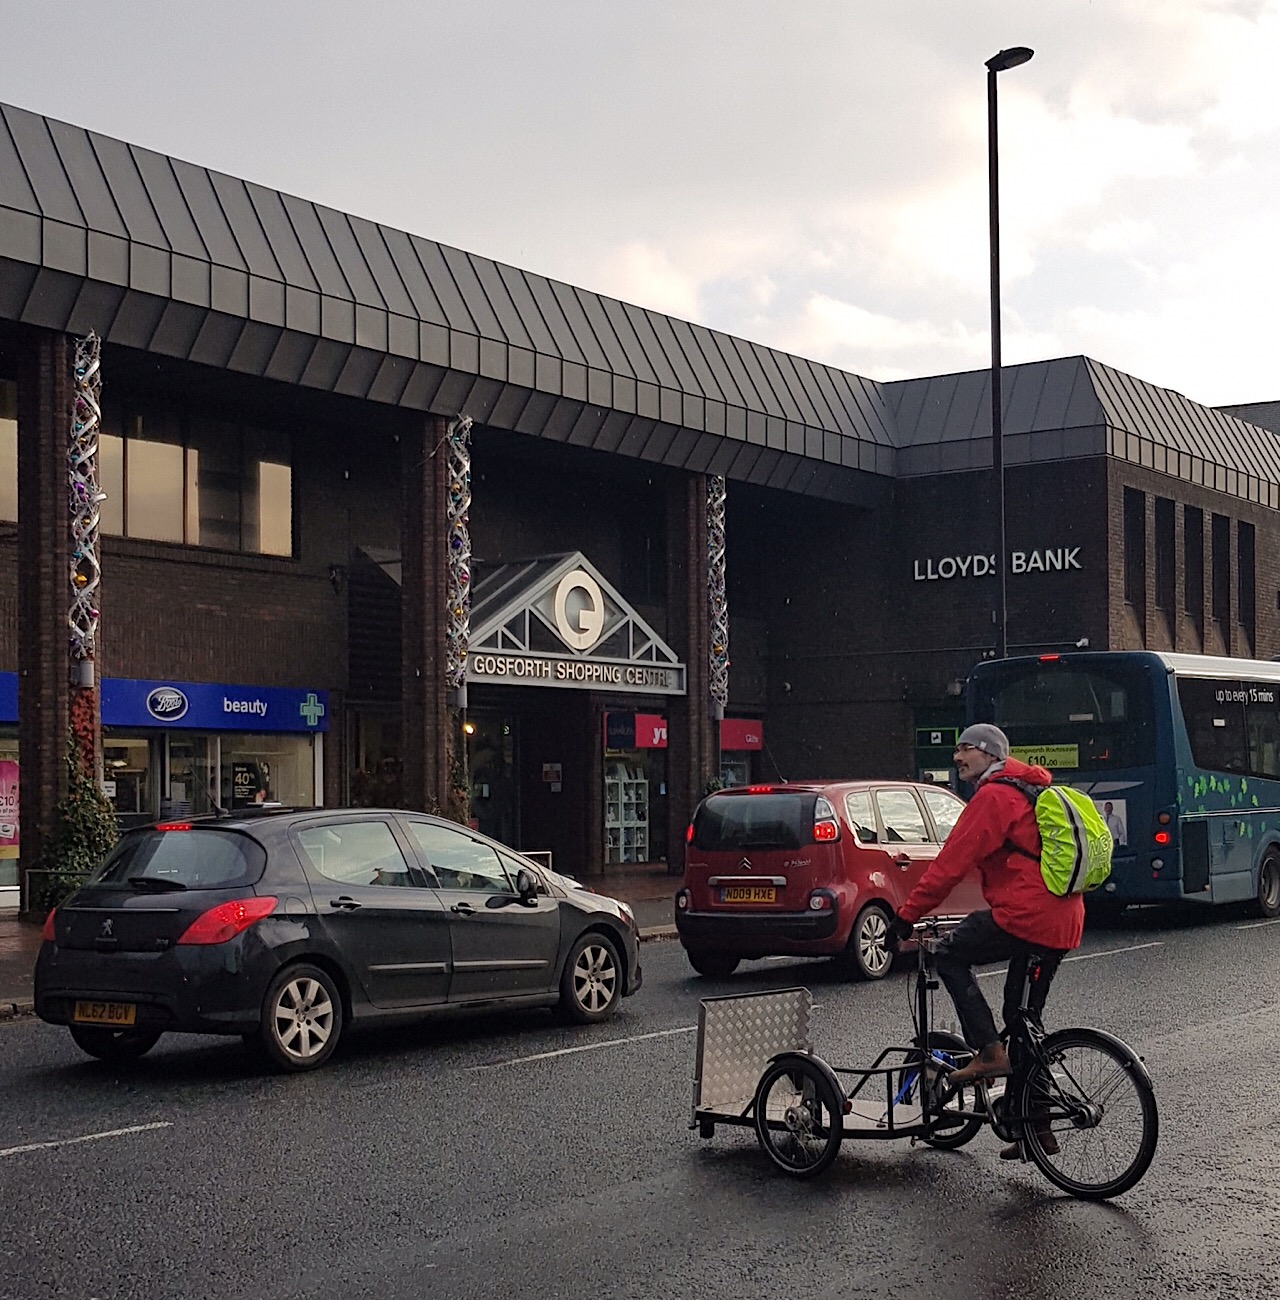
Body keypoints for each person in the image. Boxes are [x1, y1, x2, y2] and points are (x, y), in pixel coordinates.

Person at [885, 723, 1085, 1159]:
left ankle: (990, 1052)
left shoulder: (994, 797)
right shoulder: (1026, 790)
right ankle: (1036, 1128)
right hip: (1061, 916)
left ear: (990, 755)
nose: (957, 757)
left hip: (1028, 915)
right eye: (956, 749)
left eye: (966, 749)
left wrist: (905, 918)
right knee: (1022, 1018)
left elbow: (949, 865)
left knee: (951, 955)